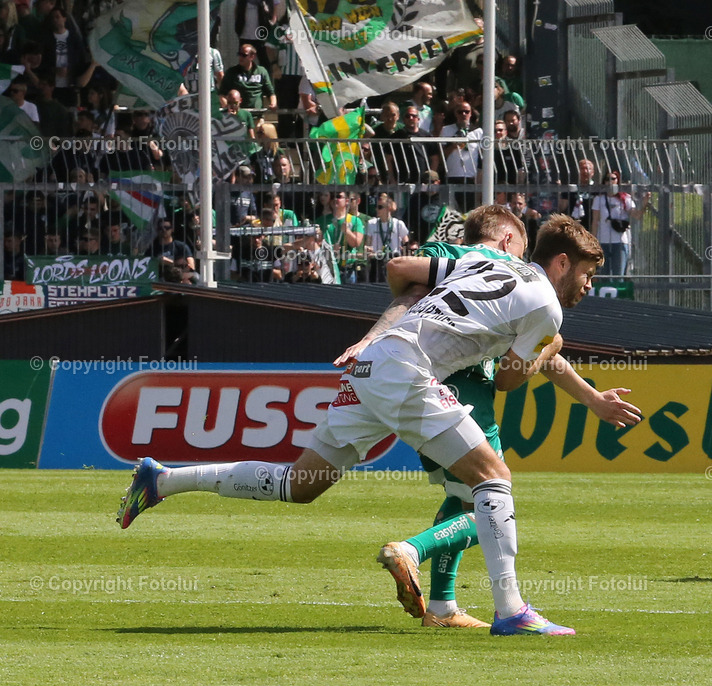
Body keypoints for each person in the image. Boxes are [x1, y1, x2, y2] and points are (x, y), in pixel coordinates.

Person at [117, 214, 606, 636]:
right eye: (586, 274)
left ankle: (162, 479)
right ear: (561, 262)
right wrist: (552, 347)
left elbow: (406, 277)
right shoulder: (547, 304)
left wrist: (379, 333)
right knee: (494, 479)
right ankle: (511, 610)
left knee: (299, 484)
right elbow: (506, 382)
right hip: (409, 370)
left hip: (374, 363)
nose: (588, 285)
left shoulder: (486, 262)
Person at [337, 207, 641, 628]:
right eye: (587, 274)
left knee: (464, 495)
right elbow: (509, 374)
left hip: (425, 377)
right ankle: (424, 558)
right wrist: (377, 334)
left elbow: (543, 349)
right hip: (451, 384)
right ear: (505, 238)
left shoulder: (498, 271)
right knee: (492, 489)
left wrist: (590, 398)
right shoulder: (469, 256)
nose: (589, 285)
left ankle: (442, 608)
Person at [591, 170, 647, 277]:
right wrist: (593, 242)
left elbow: (637, 215)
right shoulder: (599, 199)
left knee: (619, 275)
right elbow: (595, 221)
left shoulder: (625, 198)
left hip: (620, 241)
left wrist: (644, 204)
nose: (610, 182)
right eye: (607, 179)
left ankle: (617, 294)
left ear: (618, 181)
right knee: (603, 275)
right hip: (603, 241)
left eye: (613, 179)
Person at [365, 192, 408, 283]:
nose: (377, 209)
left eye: (380, 207)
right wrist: (368, 249)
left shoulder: (398, 224)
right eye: (376, 207)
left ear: (388, 208)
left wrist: (404, 250)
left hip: (393, 258)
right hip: (377, 260)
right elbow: (368, 243)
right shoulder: (372, 223)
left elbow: (406, 242)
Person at [220, 44, 276, 111]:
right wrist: (227, 107)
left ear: (252, 56)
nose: (240, 57)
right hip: (238, 115)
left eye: (244, 55)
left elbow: (270, 92)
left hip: (257, 114)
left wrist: (273, 103)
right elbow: (222, 94)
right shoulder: (232, 72)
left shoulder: (261, 71)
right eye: (239, 54)